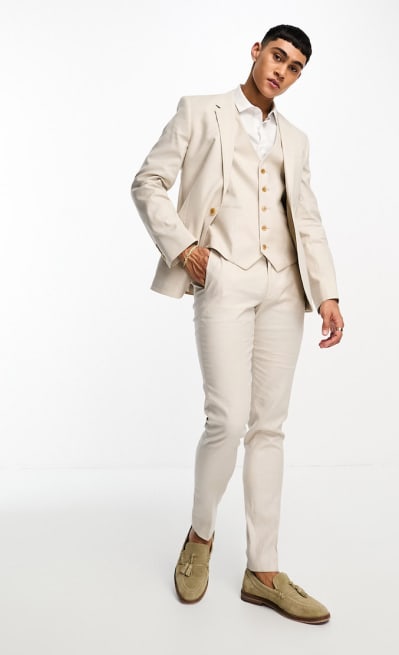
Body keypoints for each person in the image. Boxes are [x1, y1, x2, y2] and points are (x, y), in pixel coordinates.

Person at [131, 24, 344, 624]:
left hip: (284, 286)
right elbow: (148, 182)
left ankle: (263, 570)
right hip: (223, 274)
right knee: (226, 420)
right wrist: (182, 247)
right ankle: (200, 537)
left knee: (269, 426)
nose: (283, 71)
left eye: (295, 67)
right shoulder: (201, 111)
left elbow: (307, 217)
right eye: (278, 56)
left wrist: (327, 292)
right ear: (256, 51)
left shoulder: (296, 139)